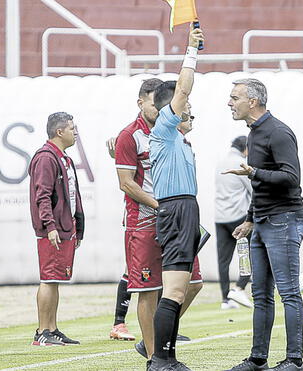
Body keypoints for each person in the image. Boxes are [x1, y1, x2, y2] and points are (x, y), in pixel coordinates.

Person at [108, 79, 203, 360]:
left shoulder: (177, 132)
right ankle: (154, 356)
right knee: (148, 290)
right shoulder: (129, 135)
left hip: (174, 217)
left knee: (193, 283)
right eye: (153, 103)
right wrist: (160, 205)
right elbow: (126, 183)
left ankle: (158, 335)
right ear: (142, 103)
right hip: (144, 220)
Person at [224, 78, 303, 371]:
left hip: (285, 218)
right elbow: (260, 185)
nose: (230, 103)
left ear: (253, 101)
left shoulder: (278, 132)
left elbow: (291, 177)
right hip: (262, 221)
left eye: (235, 98)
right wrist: (249, 220)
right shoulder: (253, 134)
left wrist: (254, 172)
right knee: (260, 294)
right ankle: (258, 359)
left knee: (288, 292)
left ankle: (294, 361)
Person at [147, 24, 204, 371]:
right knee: (173, 292)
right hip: (177, 210)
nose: (190, 109)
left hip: (185, 209)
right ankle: (160, 359)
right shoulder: (165, 130)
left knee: (179, 291)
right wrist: (192, 50)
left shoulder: (180, 141)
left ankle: (166, 358)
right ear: (172, 109)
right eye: (186, 106)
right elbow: (182, 87)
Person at [28, 112, 85, 346]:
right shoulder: (46, 158)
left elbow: (72, 195)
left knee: (56, 279)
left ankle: (52, 328)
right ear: (59, 132)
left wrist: (77, 226)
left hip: (65, 227)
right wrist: (49, 226)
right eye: (72, 128)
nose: (76, 132)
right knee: (48, 278)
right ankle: (42, 331)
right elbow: (42, 195)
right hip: (52, 231)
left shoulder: (64, 158)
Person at [215, 136, 253, 309]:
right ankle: (239, 287)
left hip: (220, 217)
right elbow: (253, 189)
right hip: (239, 216)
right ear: (245, 148)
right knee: (251, 252)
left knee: (224, 260)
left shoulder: (220, 162)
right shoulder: (241, 163)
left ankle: (225, 299)